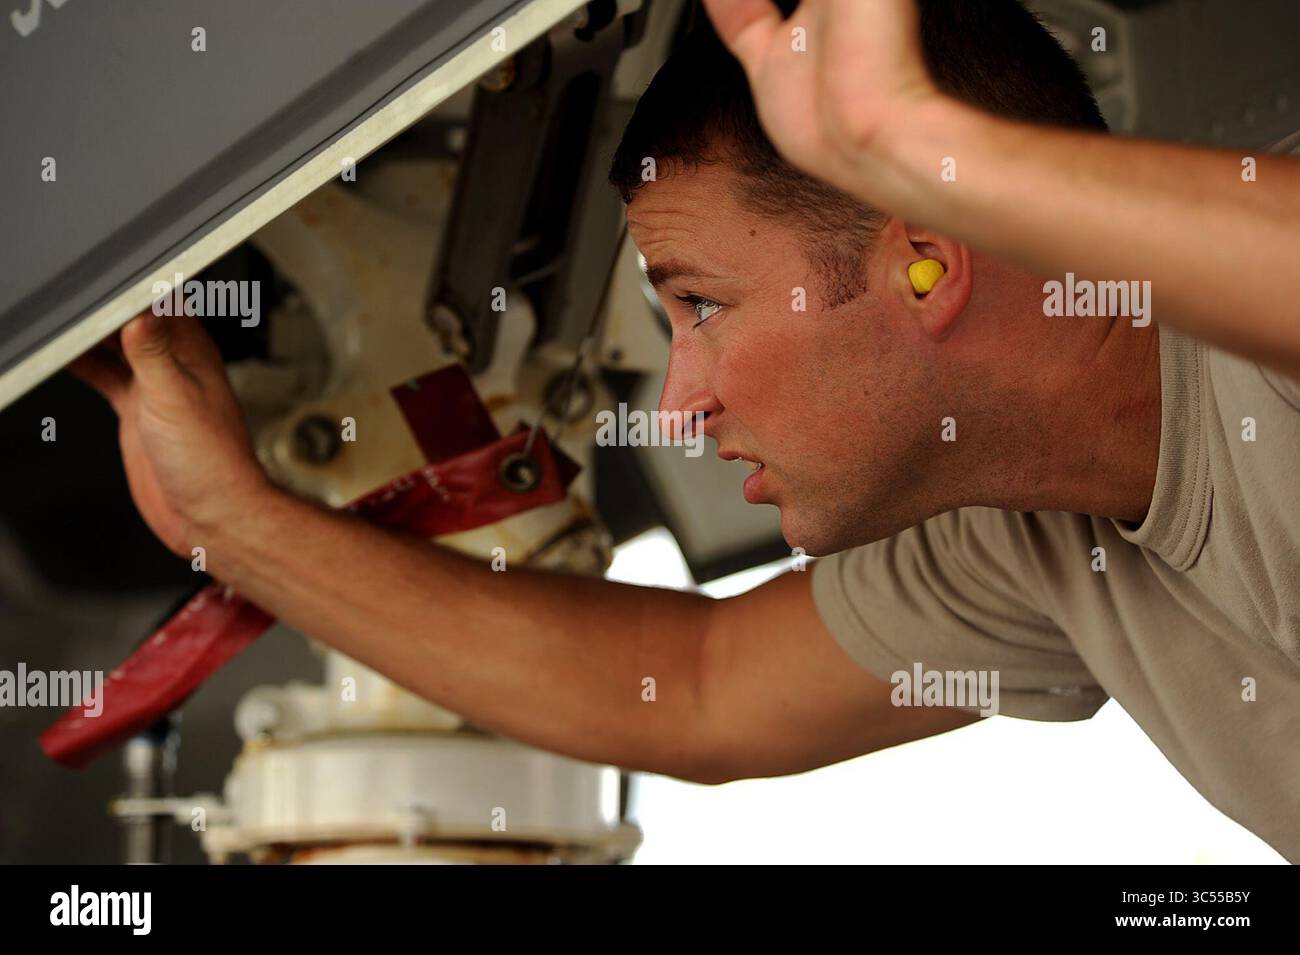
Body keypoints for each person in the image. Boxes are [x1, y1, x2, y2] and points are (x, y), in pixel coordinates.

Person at [68, 0, 1300, 860]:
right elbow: (692, 692)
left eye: (701, 304)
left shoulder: (1257, 360)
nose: (679, 401)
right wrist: (232, 522)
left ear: (926, 263)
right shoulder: (1022, 540)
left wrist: (934, 149)